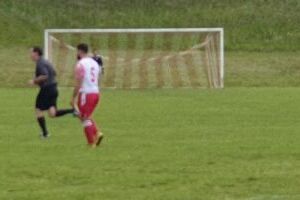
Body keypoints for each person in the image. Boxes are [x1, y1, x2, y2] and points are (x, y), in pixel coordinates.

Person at [29, 46, 75, 138]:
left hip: (47, 89)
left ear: (36, 53)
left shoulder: (40, 63)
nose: (30, 55)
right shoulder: (46, 62)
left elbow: (45, 76)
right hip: (53, 88)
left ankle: (45, 134)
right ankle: (73, 111)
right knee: (52, 113)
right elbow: (54, 73)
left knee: (38, 110)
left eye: (31, 52)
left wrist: (34, 81)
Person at [71, 43, 104, 147]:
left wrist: (73, 97)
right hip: (96, 93)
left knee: (84, 118)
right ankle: (96, 134)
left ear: (80, 51)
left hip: (86, 93)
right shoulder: (94, 63)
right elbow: (99, 77)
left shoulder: (80, 64)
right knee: (86, 116)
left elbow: (78, 82)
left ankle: (91, 143)